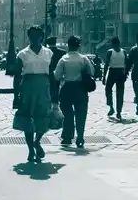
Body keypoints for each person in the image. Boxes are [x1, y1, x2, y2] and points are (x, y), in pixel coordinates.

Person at [13, 25, 58, 162]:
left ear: (42, 37)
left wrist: (55, 92)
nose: (35, 39)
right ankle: (30, 150)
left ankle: (37, 141)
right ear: (29, 37)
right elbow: (17, 76)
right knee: (27, 119)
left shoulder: (48, 53)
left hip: (44, 87)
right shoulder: (22, 54)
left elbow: (52, 74)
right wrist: (16, 96)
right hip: (27, 88)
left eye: (37, 36)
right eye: (32, 36)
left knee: (43, 117)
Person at [55, 35, 94, 147]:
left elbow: (57, 76)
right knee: (81, 113)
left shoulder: (63, 59)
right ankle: (80, 136)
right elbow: (91, 72)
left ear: (68, 45)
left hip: (67, 88)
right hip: (81, 88)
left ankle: (67, 136)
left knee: (67, 114)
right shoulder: (84, 58)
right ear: (78, 46)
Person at [103, 37, 128, 120]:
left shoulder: (118, 52)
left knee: (118, 92)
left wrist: (104, 77)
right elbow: (106, 64)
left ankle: (117, 111)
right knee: (113, 91)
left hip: (117, 72)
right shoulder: (114, 52)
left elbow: (106, 65)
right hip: (116, 72)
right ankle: (114, 109)